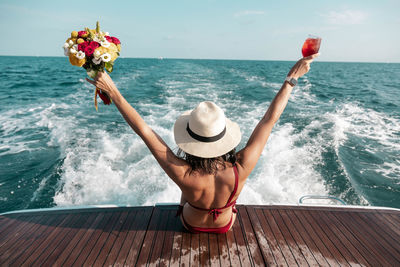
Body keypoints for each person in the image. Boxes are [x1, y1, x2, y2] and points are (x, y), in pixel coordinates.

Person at [86, 53, 319, 234]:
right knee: (229, 206)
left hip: (191, 224)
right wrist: (292, 78)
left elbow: (144, 131)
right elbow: (269, 120)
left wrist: (114, 92)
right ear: (224, 136)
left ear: (190, 140)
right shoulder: (242, 166)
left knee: (186, 197)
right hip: (225, 225)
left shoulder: (184, 173)